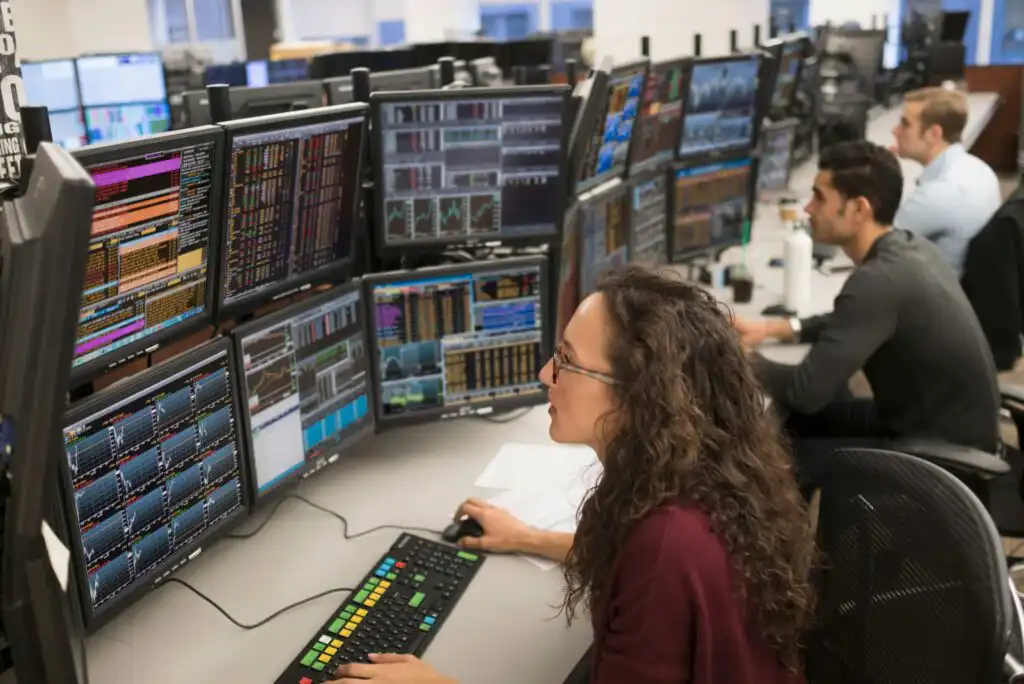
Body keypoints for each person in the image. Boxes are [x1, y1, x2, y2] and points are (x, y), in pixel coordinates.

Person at [328, 265, 816, 683]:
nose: (545, 374)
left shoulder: (668, 542)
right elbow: (623, 556)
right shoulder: (677, 474)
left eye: (566, 361)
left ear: (637, 396)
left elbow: (652, 563)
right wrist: (528, 537)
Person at [733, 141, 1000, 473]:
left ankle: (812, 524)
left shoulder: (878, 281)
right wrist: (775, 329)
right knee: (798, 425)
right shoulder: (911, 248)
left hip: (942, 463)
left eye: (819, 197)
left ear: (859, 209)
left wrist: (739, 357)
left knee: (772, 454)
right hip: (939, 429)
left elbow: (805, 393)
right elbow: (854, 319)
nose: (807, 209)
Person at [891, 86, 1001, 276]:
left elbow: (875, 248)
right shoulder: (980, 169)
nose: (895, 131)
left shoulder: (937, 194)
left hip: (932, 300)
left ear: (934, 134)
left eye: (905, 124)